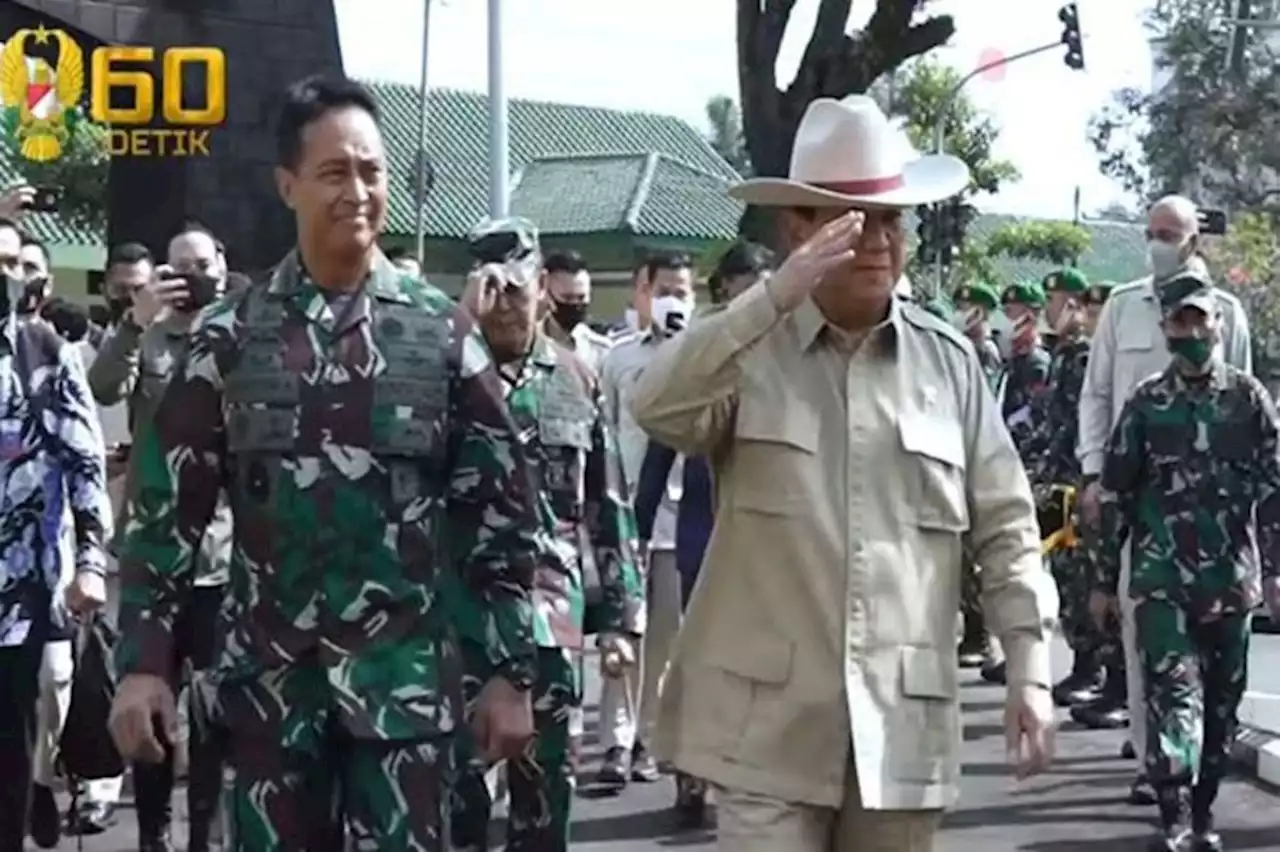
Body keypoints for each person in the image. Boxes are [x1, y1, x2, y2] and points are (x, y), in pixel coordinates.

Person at [106, 75, 539, 851]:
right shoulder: (232, 337)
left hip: (404, 698)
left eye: (371, 171)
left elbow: (500, 513)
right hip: (271, 700)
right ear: (287, 185)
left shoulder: (440, 335)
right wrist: (143, 663)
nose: (358, 192)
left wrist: (510, 672)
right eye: (335, 172)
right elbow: (163, 509)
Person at [629, 95, 1057, 852]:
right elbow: (656, 406)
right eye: (856, 223)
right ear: (798, 229)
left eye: (894, 222)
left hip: (900, 728)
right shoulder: (747, 350)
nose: (881, 242)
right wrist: (772, 297)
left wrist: (1028, 665)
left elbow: (1006, 524)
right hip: (766, 733)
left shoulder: (948, 365)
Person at [450, 217, 643, 852]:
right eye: (493, 289)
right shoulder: (443, 377)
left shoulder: (574, 376)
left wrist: (617, 615)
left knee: (545, 792)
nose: (506, 305)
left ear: (543, 285)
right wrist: (457, 344)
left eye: (519, 287)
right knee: (457, 798)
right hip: (459, 618)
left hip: (550, 624)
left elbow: (604, 502)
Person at [1091, 267, 1280, 851]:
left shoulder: (1248, 399)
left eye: (1201, 319)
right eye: (1181, 320)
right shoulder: (1147, 404)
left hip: (1231, 582)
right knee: (1173, 698)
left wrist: (1275, 571)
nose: (1192, 330)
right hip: (1162, 579)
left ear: (1218, 325)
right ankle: (1172, 818)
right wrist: (1102, 583)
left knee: (1221, 709)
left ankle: (1203, 817)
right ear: (1167, 329)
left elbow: (1274, 490)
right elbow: (1115, 495)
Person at [1075, 195, 1251, 806]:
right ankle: (1158, 767)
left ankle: (1195, 771)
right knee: (1146, 642)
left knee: (1214, 652)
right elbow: (1096, 395)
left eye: (1169, 232)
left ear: (1194, 237)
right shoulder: (1123, 309)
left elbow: (1249, 409)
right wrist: (1095, 472)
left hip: (1215, 518)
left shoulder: (1228, 312)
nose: (1156, 242)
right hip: (1140, 507)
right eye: (1150, 232)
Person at [87, 220, 234, 851]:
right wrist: (134, 324)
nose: (191, 278)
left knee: (211, 712)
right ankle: (152, 834)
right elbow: (103, 387)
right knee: (150, 703)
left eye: (201, 265)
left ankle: (203, 830)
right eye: (179, 268)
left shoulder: (241, 339)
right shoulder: (150, 342)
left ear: (222, 268)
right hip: (153, 550)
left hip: (223, 556)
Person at [633, 238, 771, 825]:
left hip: (769, 539)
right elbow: (662, 449)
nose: (753, 305)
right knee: (703, 657)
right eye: (741, 294)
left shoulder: (796, 352)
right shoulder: (703, 351)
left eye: (762, 292)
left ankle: (752, 774)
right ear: (722, 295)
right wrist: (637, 531)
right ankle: (693, 773)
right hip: (702, 531)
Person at [0, 216, 111, 852]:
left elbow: (85, 463)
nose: (4, 274)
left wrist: (90, 562)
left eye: (14, 263)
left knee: (11, 742)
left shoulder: (45, 353)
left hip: (18, 593)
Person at [596, 250, 696, 787]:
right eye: (665, 290)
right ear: (643, 293)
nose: (674, 300)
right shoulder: (618, 359)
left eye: (683, 291)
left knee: (666, 641)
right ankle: (613, 740)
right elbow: (607, 434)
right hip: (629, 516)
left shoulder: (702, 353)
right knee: (622, 637)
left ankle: (647, 742)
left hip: (682, 520)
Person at [1024, 267, 1103, 709]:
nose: (1049, 310)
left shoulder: (1084, 357)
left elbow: (1077, 425)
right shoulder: (1064, 356)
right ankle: (1083, 665)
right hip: (1058, 479)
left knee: (1082, 579)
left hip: (1077, 481)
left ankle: (1094, 669)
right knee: (1067, 576)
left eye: (1054, 302)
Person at [950, 280, 1004, 670]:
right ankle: (974, 630)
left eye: (968, 307)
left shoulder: (982, 353)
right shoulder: (963, 349)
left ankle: (983, 635)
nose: (961, 312)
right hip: (960, 457)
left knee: (978, 554)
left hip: (978, 459)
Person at [542, 249, 612, 374]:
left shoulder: (601, 351)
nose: (575, 304)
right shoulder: (526, 347)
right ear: (546, 294)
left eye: (581, 297)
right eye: (567, 298)